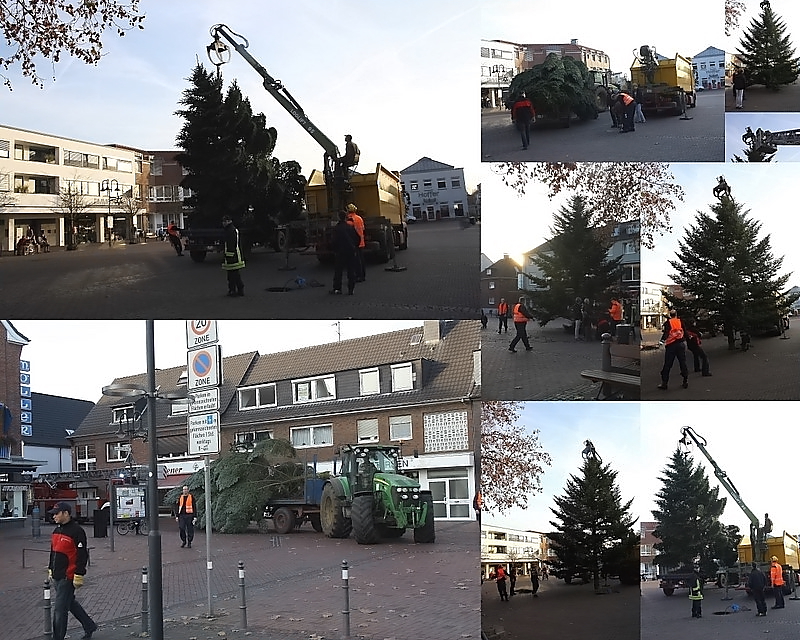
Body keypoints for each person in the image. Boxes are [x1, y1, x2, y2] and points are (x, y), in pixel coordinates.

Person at [48, 502, 98, 640]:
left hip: (68, 576)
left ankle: (57, 637)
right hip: (57, 575)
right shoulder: (56, 531)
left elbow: (82, 555)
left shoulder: (77, 531)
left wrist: (79, 574)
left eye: (56, 513)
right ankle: (89, 626)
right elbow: (53, 552)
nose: (54, 516)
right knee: (69, 603)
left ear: (66, 513)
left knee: (59, 610)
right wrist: (50, 569)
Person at [330, 210, 360, 295]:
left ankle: (337, 288)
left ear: (339, 217)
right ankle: (351, 289)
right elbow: (357, 238)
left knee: (338, 271)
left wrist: (334, 250)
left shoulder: (337, 228)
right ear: (346, 217)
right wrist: (355, 247)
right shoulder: (350, 227)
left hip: (340, 252)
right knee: (351, 270)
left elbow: (334, 241)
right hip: (350, 251)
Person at [658, 309, 688, 390]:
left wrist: (661, 341)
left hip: (671, 345)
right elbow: (685, 331)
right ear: (676, 314)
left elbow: (666, 333)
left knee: (667, 364)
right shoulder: (680, 321)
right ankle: (685, 381)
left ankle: (664, 383)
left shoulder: (668, 322)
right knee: (683, 363)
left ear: (670, 315)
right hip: (680, 344)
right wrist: (688, 339)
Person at [222, 215, 245, 297]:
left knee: (233, 274)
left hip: (233, 256)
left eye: (224, 221)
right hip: (232, 255)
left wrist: (228, 255)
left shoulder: (231, 230)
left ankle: (236, 289)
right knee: (233, 274)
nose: (223, 223)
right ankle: (234, 290)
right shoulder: (231, 230)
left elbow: (231, 244)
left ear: (229, 221)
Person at [345, 203, 366, 282]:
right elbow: (362, 229)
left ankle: (358, 276)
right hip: (361, 241)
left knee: (356, 261)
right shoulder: (359, 218)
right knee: (361, 260)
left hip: (354, 243)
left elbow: (348, 232)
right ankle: (362, 275)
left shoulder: (350, 220)